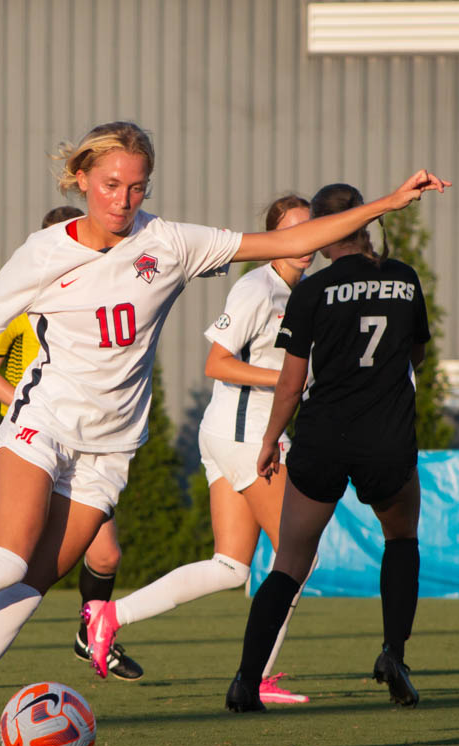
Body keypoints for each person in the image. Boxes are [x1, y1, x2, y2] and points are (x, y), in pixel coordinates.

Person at [0, 121, 448, 746]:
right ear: (82, 178)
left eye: (137, 186)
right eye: (112, 184)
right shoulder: (43, 251)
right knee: (5, 561)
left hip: (109, 449)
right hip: (43, 422)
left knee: (27, 591)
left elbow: (285, 241)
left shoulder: (168, 243)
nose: (123, 199)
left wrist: (385, 204)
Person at [81, 194, 317, 704]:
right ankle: (256, 679)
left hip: (236, 434)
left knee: (231, 567)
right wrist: (285, 380)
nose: (304, 243)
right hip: (244, 437)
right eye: (293, 231)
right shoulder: (258, 286)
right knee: (298, 557)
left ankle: (109, 616)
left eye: (311, 230)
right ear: (275, 236)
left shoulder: (303, 292)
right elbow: (217, 362)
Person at [225, 182, 432, 713]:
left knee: (289, 562)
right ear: (363, 222)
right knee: (402, 540)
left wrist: (270, 441)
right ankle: (394, 654)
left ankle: (247, 681)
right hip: (386, 437)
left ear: (323, 230)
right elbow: (415, 355)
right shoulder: (405, 279)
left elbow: (291, 384)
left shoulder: (311, 291)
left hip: (323, 437)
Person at [0, 203, 144, 681]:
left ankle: (93, 636)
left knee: (105, 554)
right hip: (26, 441)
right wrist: (31, 400)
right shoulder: (20, 306)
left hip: (83, 443)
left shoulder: (99, 300)